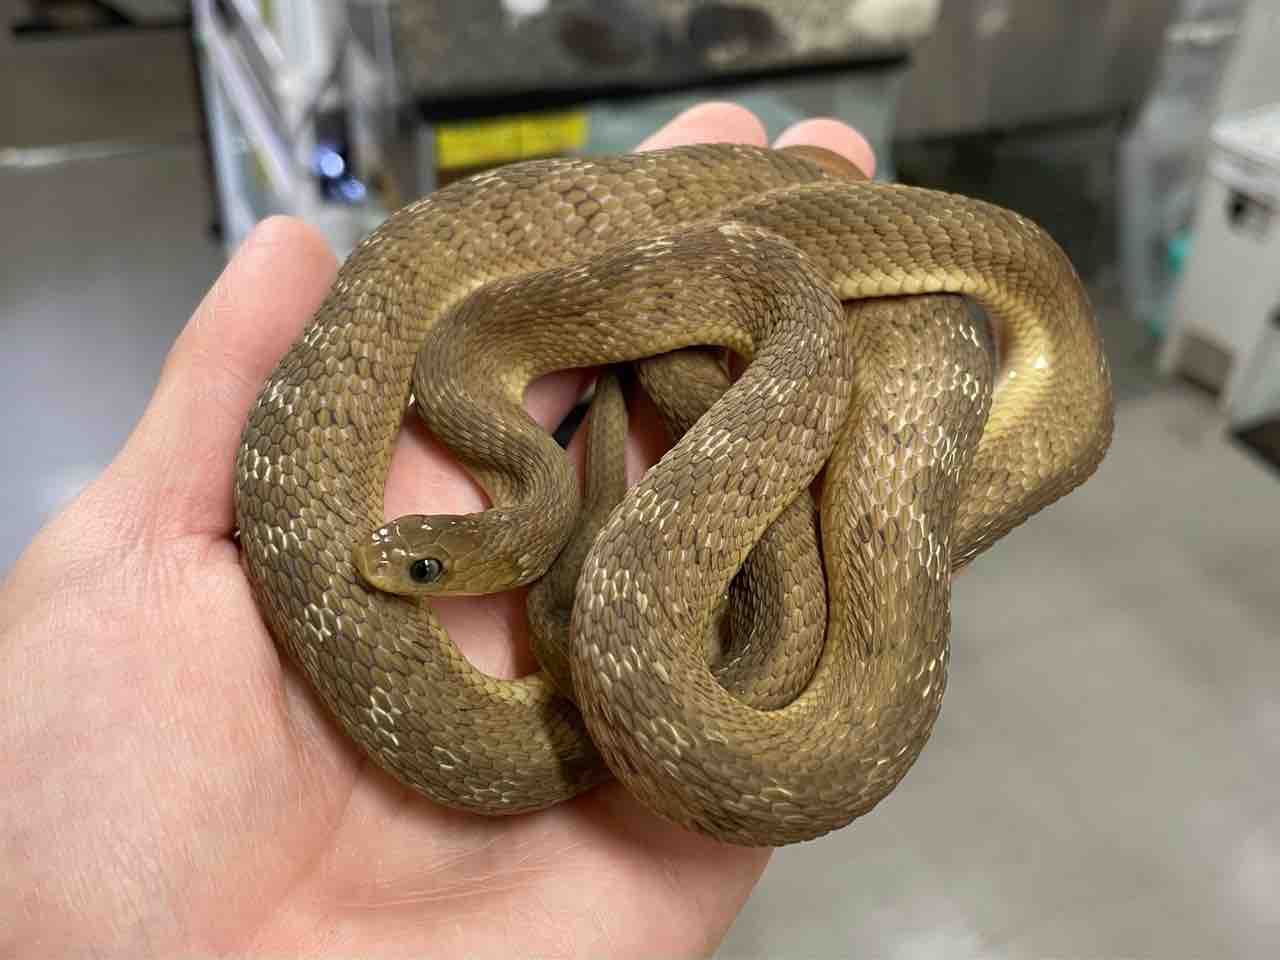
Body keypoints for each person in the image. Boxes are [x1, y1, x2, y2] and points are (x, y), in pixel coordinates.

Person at [0, 102, 874, 957]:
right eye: (423, 561)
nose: (380, 563)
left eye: (424, 571)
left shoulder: (532, 482)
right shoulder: (469, 391)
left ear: (514, 554)